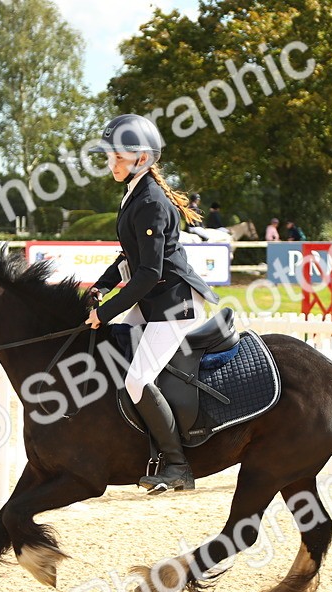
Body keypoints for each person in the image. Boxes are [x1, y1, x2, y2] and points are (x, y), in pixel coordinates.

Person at [85, 114, 220, 494]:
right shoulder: (134, 195)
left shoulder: (150, 202)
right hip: (153, 299)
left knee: (137, 378)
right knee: (113, 351)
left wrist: (106, 311)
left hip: (173, 303)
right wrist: (100, 287)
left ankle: (178, 466)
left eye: (116, 156)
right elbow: (127, 257)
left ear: (141, 159)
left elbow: (148, 273)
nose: (111, 163)